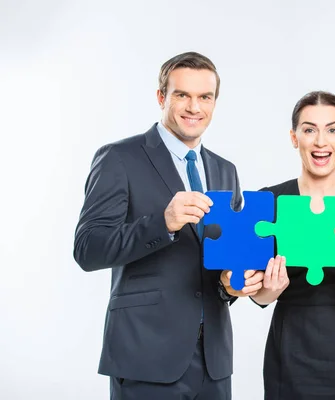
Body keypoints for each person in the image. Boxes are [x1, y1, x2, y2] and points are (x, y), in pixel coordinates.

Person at [73, 51, 263, 400]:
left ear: (214, 103)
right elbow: (88, 249)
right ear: (162, 97)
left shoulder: (225, 170)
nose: (194, 107)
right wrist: (163, 223)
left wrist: (231, 285)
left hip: (213, 361)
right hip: (145, 354)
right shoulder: (119, 158)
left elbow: (224, 262)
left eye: (204, 97)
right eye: (182, 95)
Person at [250, 91, 335, 400]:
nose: (321, 141)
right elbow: (257, 296)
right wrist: (270, 289)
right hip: (289, 347)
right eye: (309, 129)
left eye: (332, 129)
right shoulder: (269, 201)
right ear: (294, 137)